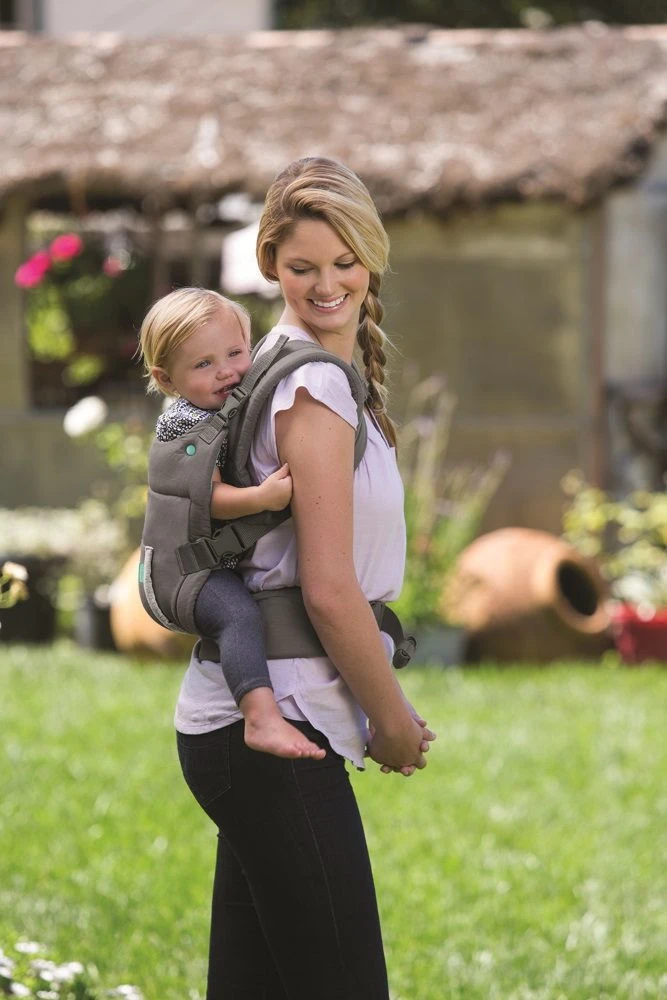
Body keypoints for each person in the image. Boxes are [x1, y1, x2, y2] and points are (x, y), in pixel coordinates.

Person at [174, 157, 437, 1000]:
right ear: (268, 264)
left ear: (371, 256)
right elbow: (327, 588)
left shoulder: (291, 366)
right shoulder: (314, 384)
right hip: (276, 728)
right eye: (301, 267)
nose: (327, 285)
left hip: (251, 724)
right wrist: (390, 720)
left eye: (345, 262)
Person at [138, 287, 325, 761]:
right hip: (182, 573)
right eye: (203, 364)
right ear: (166, 379)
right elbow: (208, 497)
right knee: (238, 615)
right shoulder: (183, 423)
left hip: (201, 565)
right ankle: (260, 718)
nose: (225, 371)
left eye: (235, 353)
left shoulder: (217, 406)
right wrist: (262, 498)